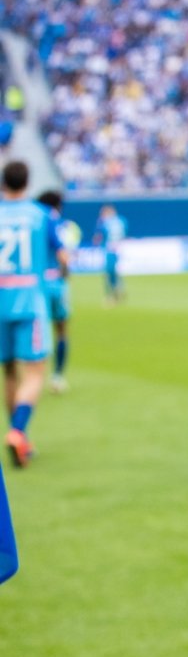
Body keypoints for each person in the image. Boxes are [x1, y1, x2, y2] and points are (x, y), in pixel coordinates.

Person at [0, 162, 62, 468]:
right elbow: (62, 255)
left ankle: (19, 436)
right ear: (27, 182)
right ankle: (17, 432)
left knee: (9, 371)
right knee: (35, 372)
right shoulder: (41, 215)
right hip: (29, 302)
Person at [36, 191, 73, 392]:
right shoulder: (56, 221)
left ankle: (35, 375)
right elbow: (63, 254)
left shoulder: (35, 220)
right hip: (56, 282)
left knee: (37, 331)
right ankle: (57, 376)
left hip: (37, 283)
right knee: (61, 330)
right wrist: (65, 274)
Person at [94, 203, 127, 305]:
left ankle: (111, 295)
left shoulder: (105, 222)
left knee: (109, 272)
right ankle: (119, 289)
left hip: (110, 250)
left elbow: (98, 237)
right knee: (114, 271)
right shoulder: (121, 221)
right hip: (120, 249)